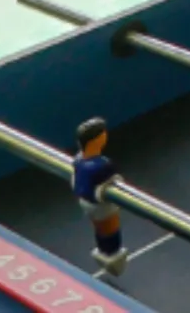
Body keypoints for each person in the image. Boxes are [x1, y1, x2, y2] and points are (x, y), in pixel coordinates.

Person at [71, 117, 127, 276]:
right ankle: (112, 256)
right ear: (97, 140)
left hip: (84, 200)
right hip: (99, 204)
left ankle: (104, 251)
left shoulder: (79, 159)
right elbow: (114, 179)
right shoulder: (103, 165)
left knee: (100, 228)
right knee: (110, 228)